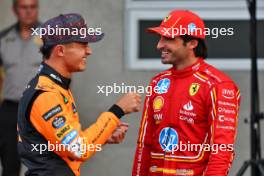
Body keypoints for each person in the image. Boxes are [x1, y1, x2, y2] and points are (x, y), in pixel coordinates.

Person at [17, 13, 141, 176]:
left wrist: (103, 136)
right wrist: (117, 111)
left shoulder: (56, 85)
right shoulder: (46, 94)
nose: (89, 51)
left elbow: (67, 148)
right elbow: (79, 149)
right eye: (83, 44)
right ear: (60, 50)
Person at [132, 10, 241, 176]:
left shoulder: (218, 85)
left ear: (192, 43)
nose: (159, 45)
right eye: (160, 38)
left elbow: (222, 150)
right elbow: (144, 145)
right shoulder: (158, 82)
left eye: (168, 38)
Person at [0, 0, 41, 175]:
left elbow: (63, 73)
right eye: (24, 7)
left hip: (40, 109)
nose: (28, 11)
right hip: (10, 110)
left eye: (32, 7)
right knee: (10, 165)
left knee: (43, 165)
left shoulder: (51, 37)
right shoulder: (3, 38)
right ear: (15, 10)